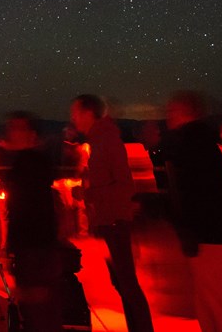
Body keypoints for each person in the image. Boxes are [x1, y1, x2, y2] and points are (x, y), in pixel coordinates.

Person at [163, 91, 222, 332]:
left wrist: (185, 226)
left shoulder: (192, 145)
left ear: (187, 112)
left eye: (172, 111)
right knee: (216, 311)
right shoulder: (198, 142)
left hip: (214, 241)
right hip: (212, 239)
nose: (168, 116)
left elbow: (195, 193)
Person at [69, 94, 155, 332]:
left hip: (116, 221)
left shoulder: (107, 140)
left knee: (127, 284)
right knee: (121, 283)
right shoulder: (98, 140)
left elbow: (124, 185)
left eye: (75, 113)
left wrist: (90, 195)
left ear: (88, 113)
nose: (72, 118)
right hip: (109, 221)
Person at [0, 111, 65, 331]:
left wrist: (13, 246)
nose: (12, 133)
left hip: (33, 247)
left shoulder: (27, 165)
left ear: (31, 134)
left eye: (17, 129)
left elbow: (23, 209)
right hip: (41, 244)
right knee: (44, 313)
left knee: (36, 313)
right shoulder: (36, 163)